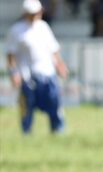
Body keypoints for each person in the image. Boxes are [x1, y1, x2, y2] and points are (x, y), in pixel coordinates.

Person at [6, 0, 68, 135]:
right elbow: (11, 55)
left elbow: (54, 49)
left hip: (48, 73)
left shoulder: (43, 27)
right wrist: (14, 73)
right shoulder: (16, 30)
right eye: (33, 13)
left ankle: (58, 131)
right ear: (26, 13)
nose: (36, 15)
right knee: (27, 108)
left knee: (55, 104)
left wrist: (60, 65)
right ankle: (26, 134)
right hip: (28, 76)